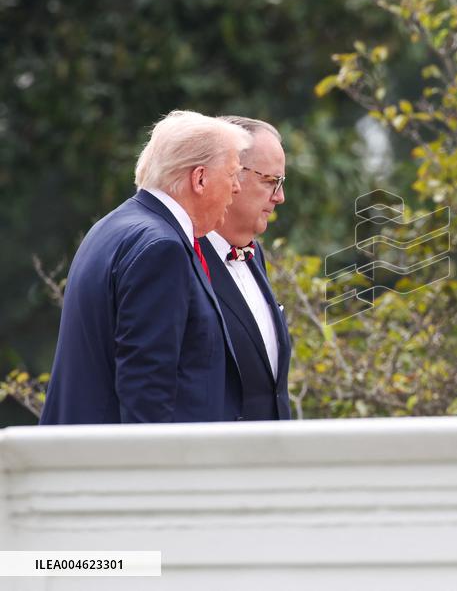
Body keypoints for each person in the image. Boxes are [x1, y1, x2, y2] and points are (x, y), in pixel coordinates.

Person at [40, 110, 251, 424]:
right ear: (200, 178)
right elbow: (147, 388)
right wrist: (155, 457)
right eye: (233, 174)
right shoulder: (162, 248)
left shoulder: (113, 227)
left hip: (87, 448)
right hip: (126, 453)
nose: (237, 188)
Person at [198, 117, 291, 420]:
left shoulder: (254, 253)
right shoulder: (181, 257)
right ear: (232, 174)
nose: (279, 197)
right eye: (271, 181)